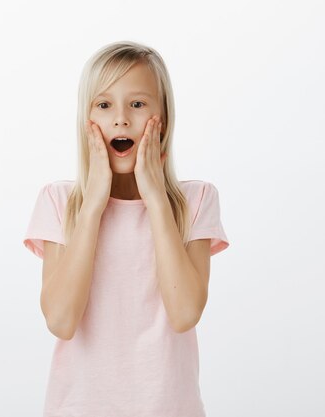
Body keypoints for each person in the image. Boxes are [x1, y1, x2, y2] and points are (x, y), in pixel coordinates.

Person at [22, 40, 230, 417]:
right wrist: (93, 207)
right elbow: (61, 321)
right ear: (86, 120)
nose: (120, 119)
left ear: (163, 117)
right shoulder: (59, 202)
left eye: (137, 104)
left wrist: (155, 199)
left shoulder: (196, 200)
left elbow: (184, 313)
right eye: (104, 105)